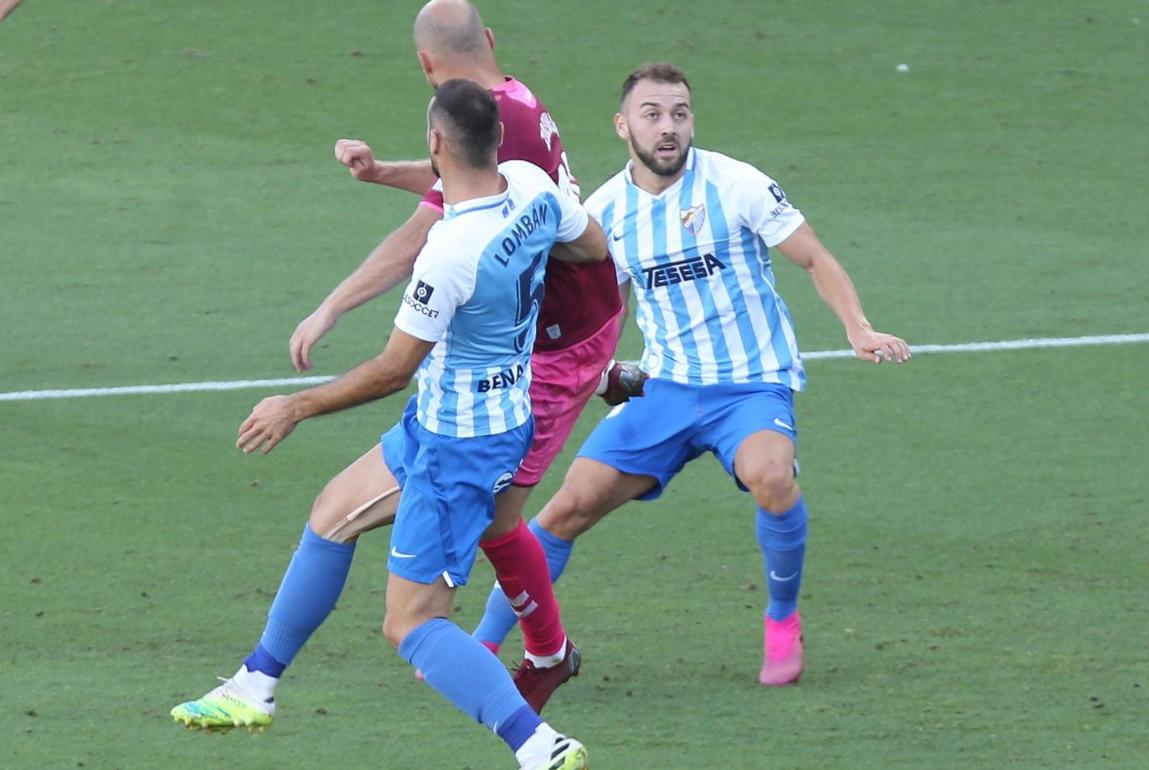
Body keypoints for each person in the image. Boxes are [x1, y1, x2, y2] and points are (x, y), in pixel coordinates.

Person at [171, 0, 638, 729]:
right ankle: (256, 681)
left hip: (544, 353)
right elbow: (493, 192)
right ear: (489, 42)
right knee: (342, 513)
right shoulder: (510, 107)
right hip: (538, 341)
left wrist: (329, 311)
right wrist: (389, 170)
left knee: (470, 551)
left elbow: (414, 275)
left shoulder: (464, 218)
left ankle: (541, 675)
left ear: (426, 66)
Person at [469, 62, 912, 689]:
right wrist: (587, 376)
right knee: (564, 510)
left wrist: (858, 327)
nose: (668, 127)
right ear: (624, 126)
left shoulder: (737, 184)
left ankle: (782, 620)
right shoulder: (604, 212)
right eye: (652, 115)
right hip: (665, 388)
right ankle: (485, 639)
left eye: (679, 113)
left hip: (751, 382)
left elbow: (813, 255)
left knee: (772, 477)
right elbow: (602, 312)